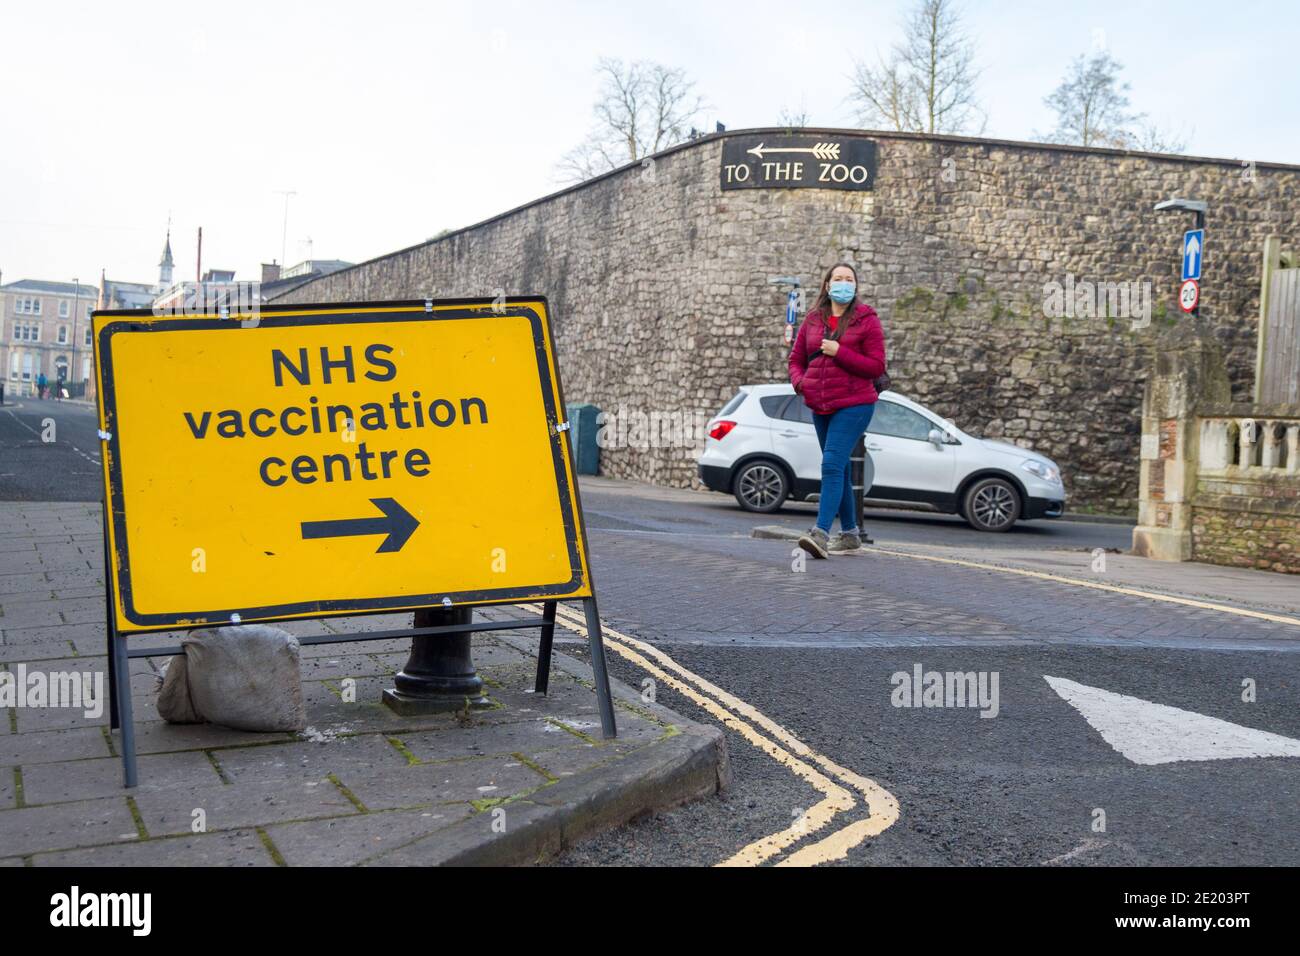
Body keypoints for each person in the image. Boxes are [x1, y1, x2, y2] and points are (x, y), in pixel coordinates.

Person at [788, 262, 887, 558]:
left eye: (849, 279)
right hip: (820, 404)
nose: (844, 284)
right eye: (838, 279)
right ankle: (850, 533)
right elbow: (795, 359)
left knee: (831, 464)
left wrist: (839, 352)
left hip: (855, 403)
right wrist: (800, 383)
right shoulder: (814, 319)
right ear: (828, 285)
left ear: (855, 286)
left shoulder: (866, 320)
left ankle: (820, 532)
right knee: (840, 469)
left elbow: (876, 366)